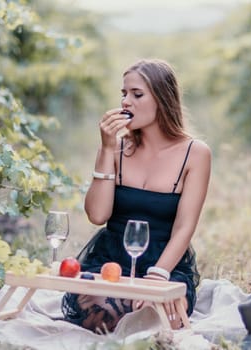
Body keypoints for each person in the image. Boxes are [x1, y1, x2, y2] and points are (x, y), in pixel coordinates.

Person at [61, 58, 212, 333]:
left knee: (158, 316)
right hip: (111, 259)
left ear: (162, 99)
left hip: (164, 261)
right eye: (124, 94)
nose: (126, 102)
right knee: (103, 313)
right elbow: (97, 215)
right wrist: (106, 150)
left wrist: (158, 276)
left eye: (137, 94)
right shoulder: (115, 148)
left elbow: (185, 226)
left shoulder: (196, 153)